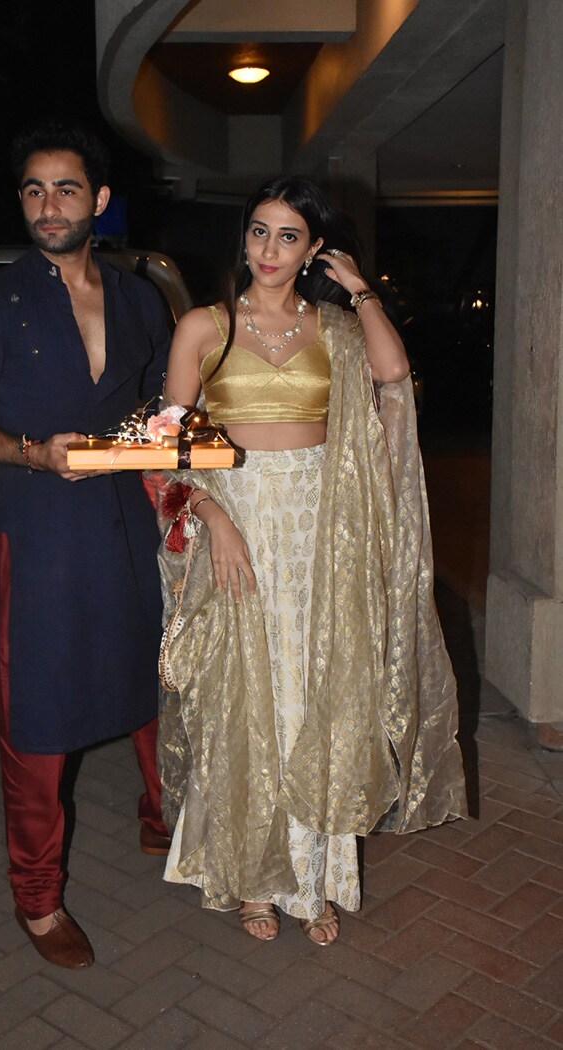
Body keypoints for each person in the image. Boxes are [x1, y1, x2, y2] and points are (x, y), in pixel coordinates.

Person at [156, 176, 467, 945]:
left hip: (323, 531)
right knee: (245, 697)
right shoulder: (204, 325)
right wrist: (211, 514)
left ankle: (315, 876)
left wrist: (361, 291)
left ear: (314, 248)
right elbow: (164, 450)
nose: (268, 250)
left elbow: (394, 378)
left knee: (318, 694)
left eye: (288, 236)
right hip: (238, 521)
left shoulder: (334, 326)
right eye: (258, 232)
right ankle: (252, 875)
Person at [0, 120, 171, 969]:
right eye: (33, 189)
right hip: (37, 527)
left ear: (99, 200)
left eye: (66, 188)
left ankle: (162, 815)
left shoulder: (141, 298)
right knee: (35, 709)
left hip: (129, 519)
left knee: (156, 667)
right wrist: (32, 451)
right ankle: (36, 897)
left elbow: (155, 409)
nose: (48, 205)